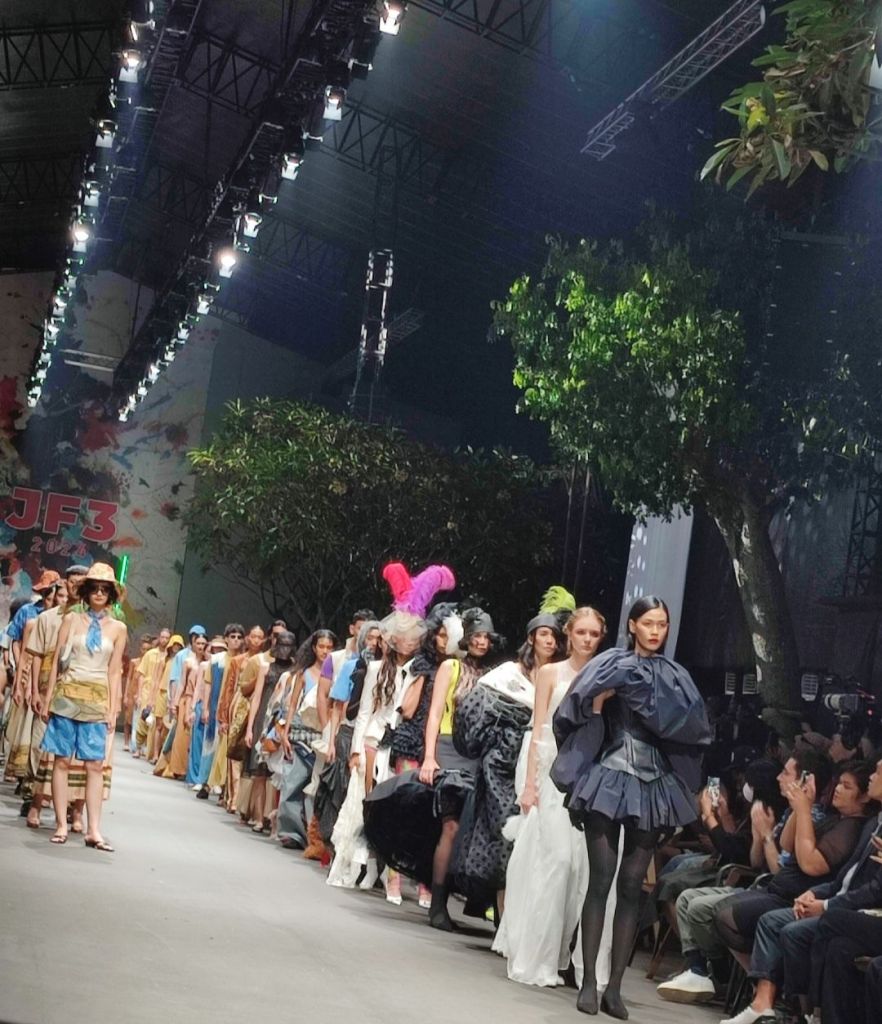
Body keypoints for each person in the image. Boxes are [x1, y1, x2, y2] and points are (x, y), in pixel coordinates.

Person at [552, 595, 712, 1019]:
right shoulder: (610, 664)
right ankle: (589, 981)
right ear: (632, 625)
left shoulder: (677, 677)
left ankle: (615, 988)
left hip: (653, 785)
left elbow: (693, 733)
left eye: (662, 624)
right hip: (608, 777)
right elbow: (571, 714)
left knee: (631, 885)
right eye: (649, 623)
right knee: (600, 882)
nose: (656, 631)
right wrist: (597, 707)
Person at [493, 605, 608, 987]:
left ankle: (560, 956)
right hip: (550, 772)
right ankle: (537, 957)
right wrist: (530, 784)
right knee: (554, 860)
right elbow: (538, 727)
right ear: (568, 634)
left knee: (578, 870)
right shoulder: (549, 673)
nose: (587, 639)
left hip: (588, 777)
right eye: (581, 632)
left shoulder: (605, 676)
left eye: (594, 634)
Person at [718, 758, 882, 1024]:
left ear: (862, 796)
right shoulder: (873, 823)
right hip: (814, 897)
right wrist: (815, 894)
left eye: (847, 786)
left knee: (801, 925)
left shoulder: (853, 826)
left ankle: (798, 1008)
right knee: (837, 946)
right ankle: (796, 1009)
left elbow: (811, 864)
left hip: (857, 910)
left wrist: (824, 905)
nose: (874, 776)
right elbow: (837, 875)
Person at [656, 758, 784, 1003]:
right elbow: (753, 857)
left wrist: (710, 817)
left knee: (692, 899)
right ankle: (697, 967)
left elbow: (739, 854)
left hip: (745, 880)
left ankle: (715, 972)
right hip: (740, 873)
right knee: (681, 891)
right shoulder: (755, 810)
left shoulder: (775, 814)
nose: (743, 785)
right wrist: (727, 817)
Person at [39, 563, 127, 851]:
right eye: (95, 588)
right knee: (61, 761)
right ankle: (61, 825)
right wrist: (48, 698)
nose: (99, 593)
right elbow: (56, 661)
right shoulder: (72, 620)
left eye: (105, 589)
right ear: (86, 591)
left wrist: (113, 709)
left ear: (111, 594)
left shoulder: (118, 628)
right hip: (66, 696)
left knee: (94, 765)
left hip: (97, 699)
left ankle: (94, 830)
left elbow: (115, 671)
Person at [276, 629, 337, 848]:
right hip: (301, 735)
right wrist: (285, 733)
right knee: (294, 782)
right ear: (314, 648)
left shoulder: (336, 673)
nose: (325, 651)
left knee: (317, 788)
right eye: (321, 646)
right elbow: (292, 704)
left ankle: (315, 838)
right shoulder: (304, 674)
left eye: (329, 647)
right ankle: (291, 833)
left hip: (324, 735)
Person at [244, 629, 296, 833]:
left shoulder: (295, 671)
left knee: (279, 774)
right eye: (281, 645)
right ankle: (258, 818)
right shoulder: (266, 668)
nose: (284, 650)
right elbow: (256, 697)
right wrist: (250, 728)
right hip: (264, 721)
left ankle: (274, 820)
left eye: (288, 646)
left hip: (282, 722)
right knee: (260, 772)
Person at [199, 623, 245, 797]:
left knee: (225, 747)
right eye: (232, 637)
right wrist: (205, 708)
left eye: (239, 637)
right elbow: (208, 684)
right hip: (216, 706)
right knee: (211, 745)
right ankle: (206, 781)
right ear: (226, 639)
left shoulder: (244, 661)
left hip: (235, 708)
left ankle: (220, 785)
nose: (236, 640)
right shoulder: (217, 660)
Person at [124, 633, 154, 752]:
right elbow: (129, 678)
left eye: (148, 649)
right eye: (143, 649)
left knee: (142, 718)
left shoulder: (150, 662)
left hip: (144, 692)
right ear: (140, 649)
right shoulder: (134, 662)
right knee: (128, 717)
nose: (145, 651)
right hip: (132, 691)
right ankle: (126, 742)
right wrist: (126, 695)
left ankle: (138, 744)